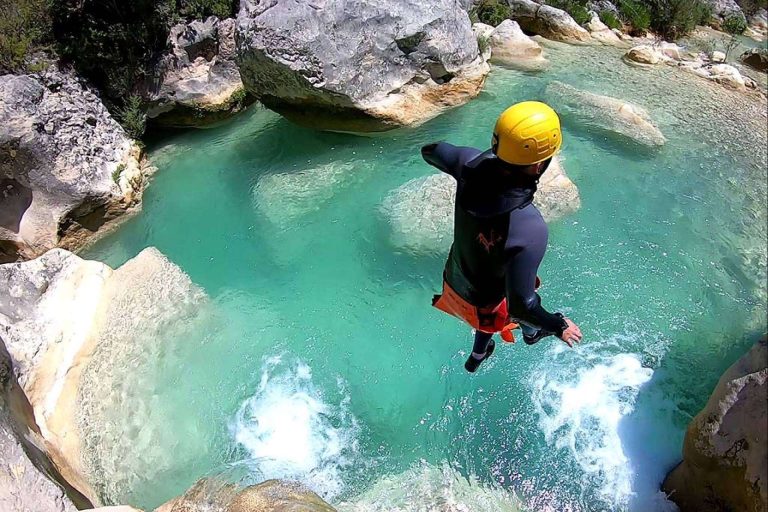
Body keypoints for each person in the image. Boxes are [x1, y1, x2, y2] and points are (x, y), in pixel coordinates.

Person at [422, 101, 582, 373]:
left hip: (457, 280)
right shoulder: (530, 229)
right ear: (541, 162)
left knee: (487, 317)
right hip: (490, 300)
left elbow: (430, 151)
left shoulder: (467, 165)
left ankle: (477, 357)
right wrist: (559, 325)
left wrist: (464, 161)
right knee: (518, 300)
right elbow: (522, 307)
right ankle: (531, 335)